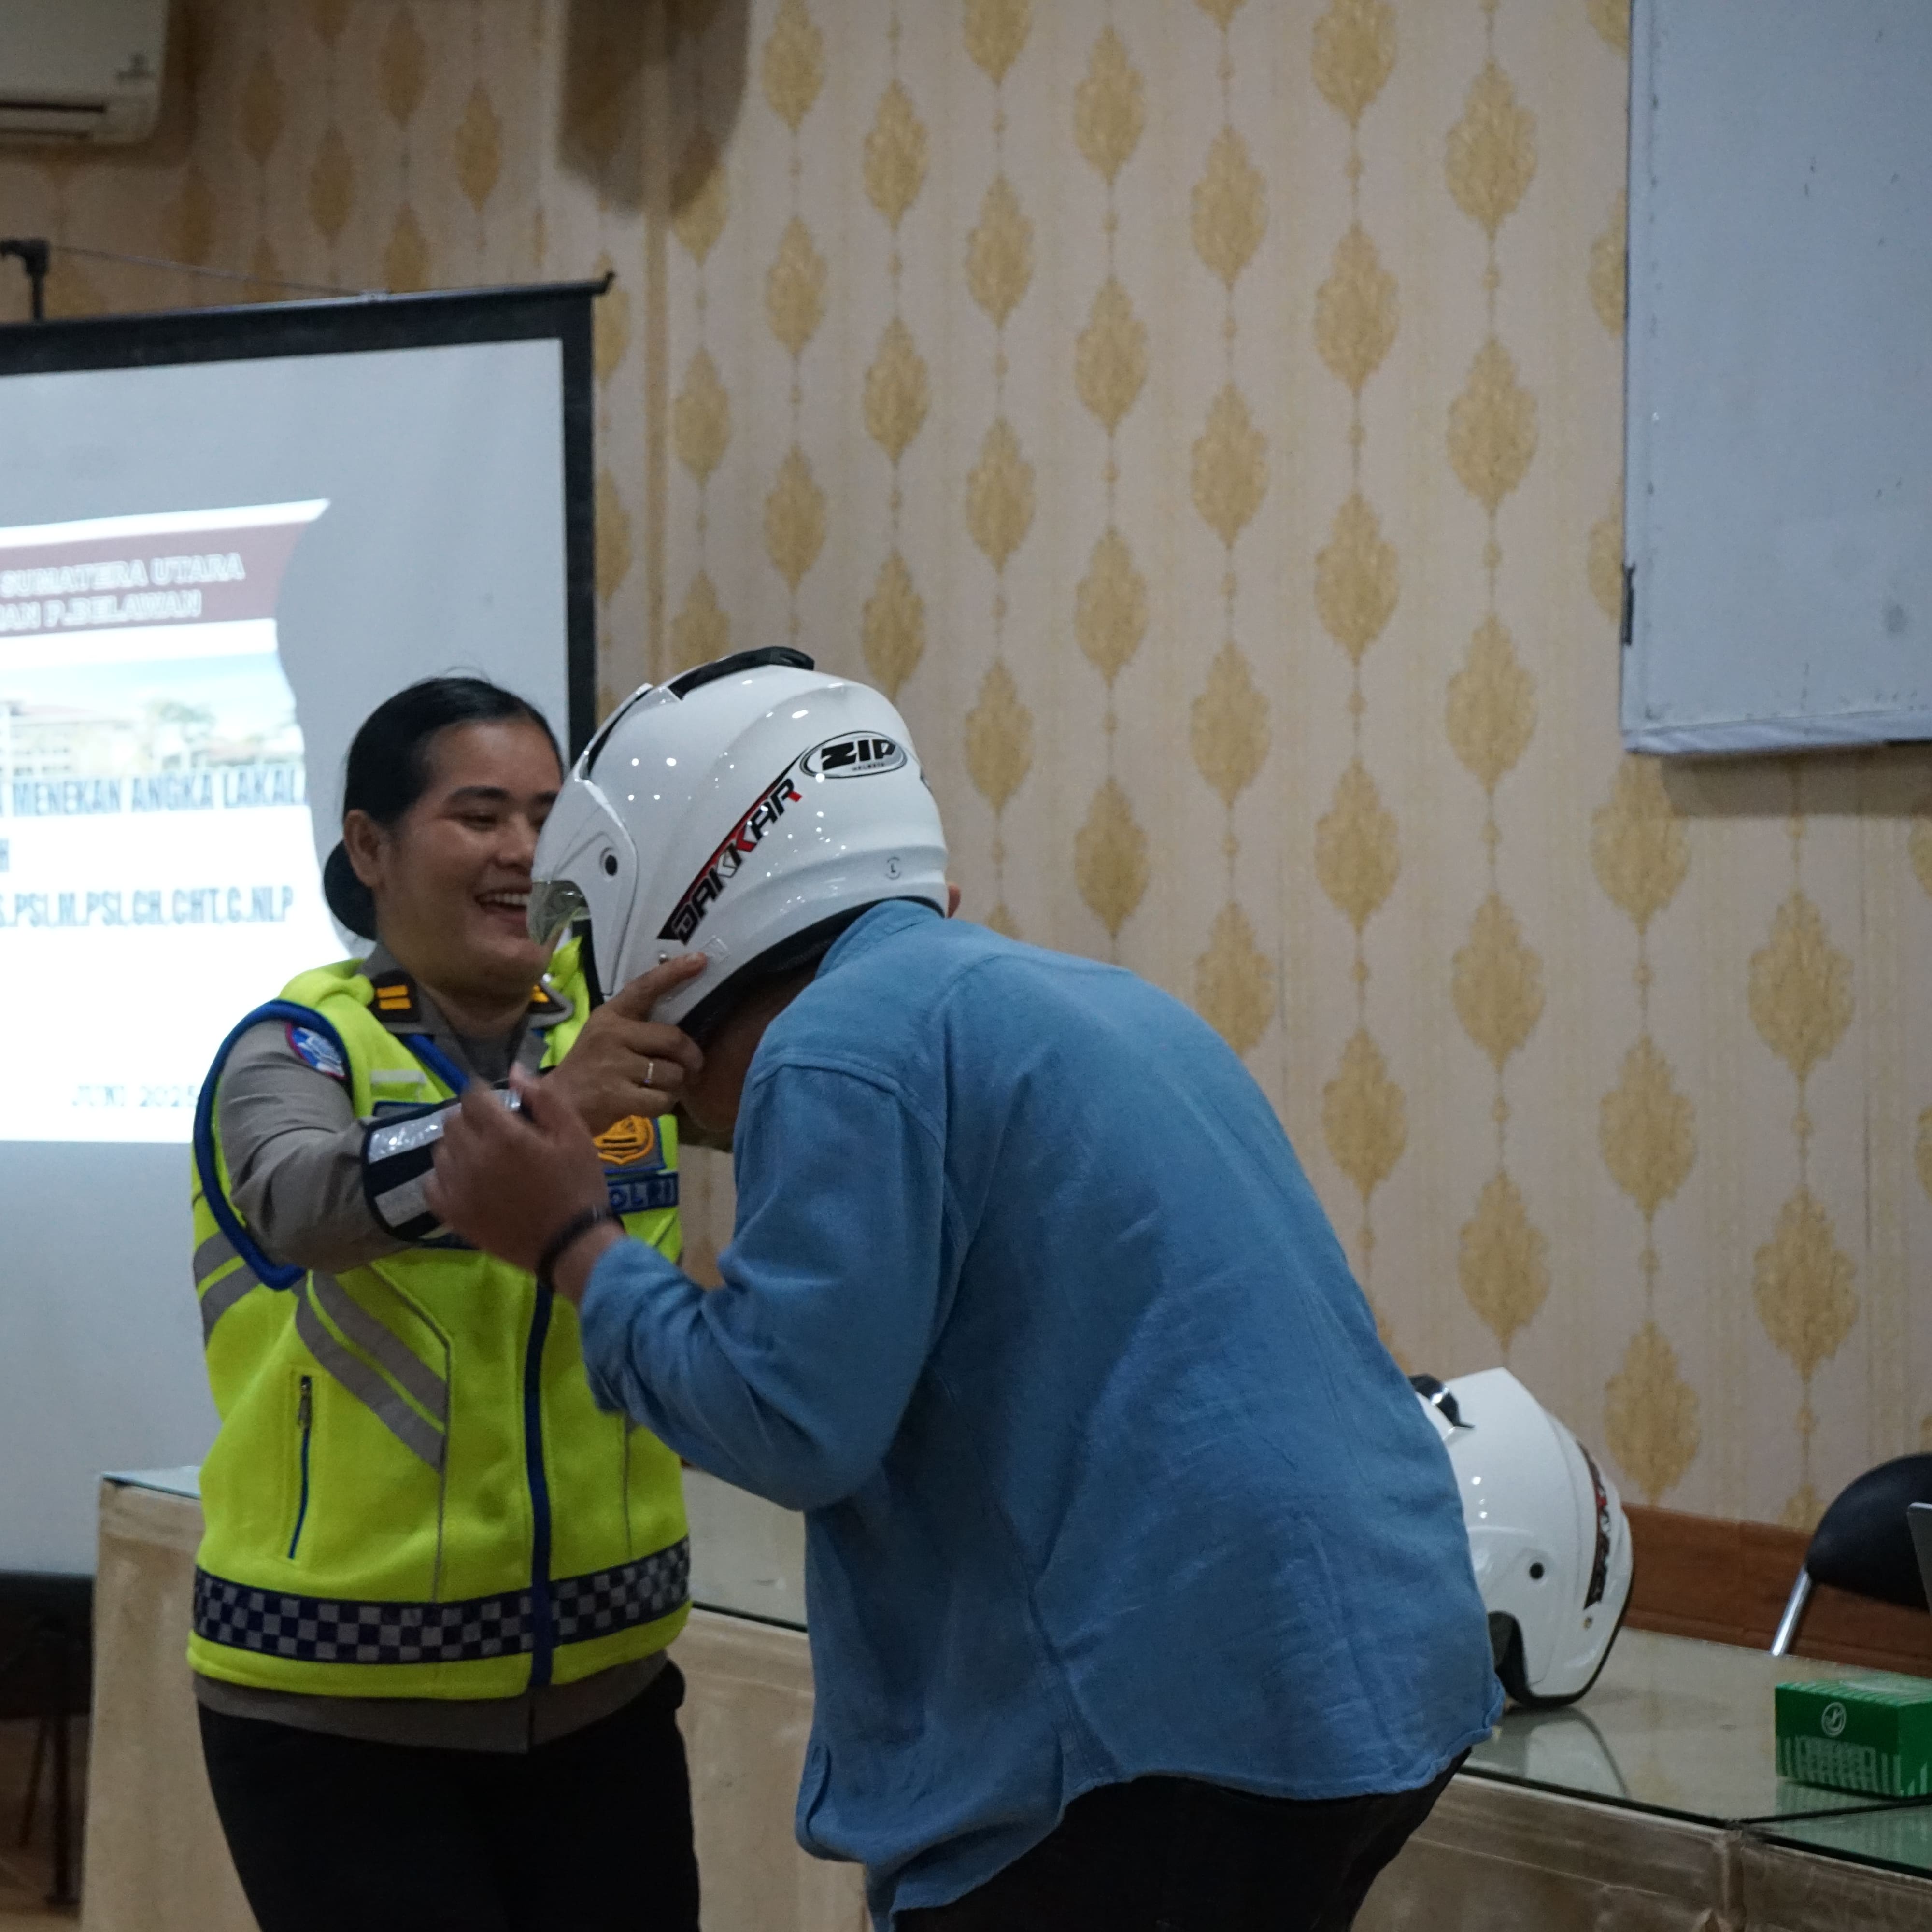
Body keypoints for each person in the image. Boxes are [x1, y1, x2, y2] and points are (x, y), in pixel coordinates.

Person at [429, 648, 1502, 1932]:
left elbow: (786, 1419)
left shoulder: (838, 1046)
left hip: (1162, 1727)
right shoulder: (1084, 996)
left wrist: (566, 1240)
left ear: (667, 903)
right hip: (1374, 1676)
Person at [185, 677, 712, 1932]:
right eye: (479, 817)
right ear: (370, 846)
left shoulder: (613, 1030)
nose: (522, 852)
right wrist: (552, 1111)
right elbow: (300, 1202)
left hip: (608, 1680)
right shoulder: (296, 1048)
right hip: (338, 1707)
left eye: (546, 817)